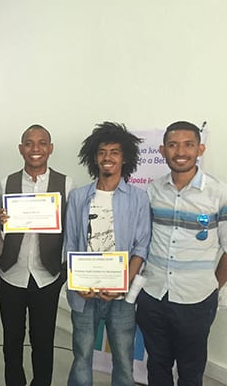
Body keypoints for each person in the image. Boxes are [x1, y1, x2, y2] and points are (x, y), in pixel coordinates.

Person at [136, 121, 227, 385]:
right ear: (163, 151)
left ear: (200, 148)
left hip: (195, 299)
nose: (180, 152)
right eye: (173, 145)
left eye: (188, 145)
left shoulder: (218, 193)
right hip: (154, 295)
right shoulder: (153, 190)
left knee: (191, 369)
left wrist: (212, 286)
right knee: (157, 364)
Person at [64, 122, 150, 386]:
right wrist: (77, 283)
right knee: (81, 356)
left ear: (125, 158)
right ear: (94, 157)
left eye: (114, 152)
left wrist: (122, 283)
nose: (108, 157)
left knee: (123, 359)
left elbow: (141, 247)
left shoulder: (138, 198)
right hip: (83, 294)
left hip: (121, 295)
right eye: (102, 152)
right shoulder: (79, 197)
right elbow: (69, 245)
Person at [0, 124, 72, 386]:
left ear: (50, 148)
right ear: (21, 149)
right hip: (11, 273)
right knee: (11, 342)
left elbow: (71, 229)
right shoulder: (6, 182)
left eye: (42, 143)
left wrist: (65, 269)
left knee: (43, 342)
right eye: (29, 143)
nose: (35, 149)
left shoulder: (66, 183)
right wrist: (1, 219)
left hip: (47, 275)